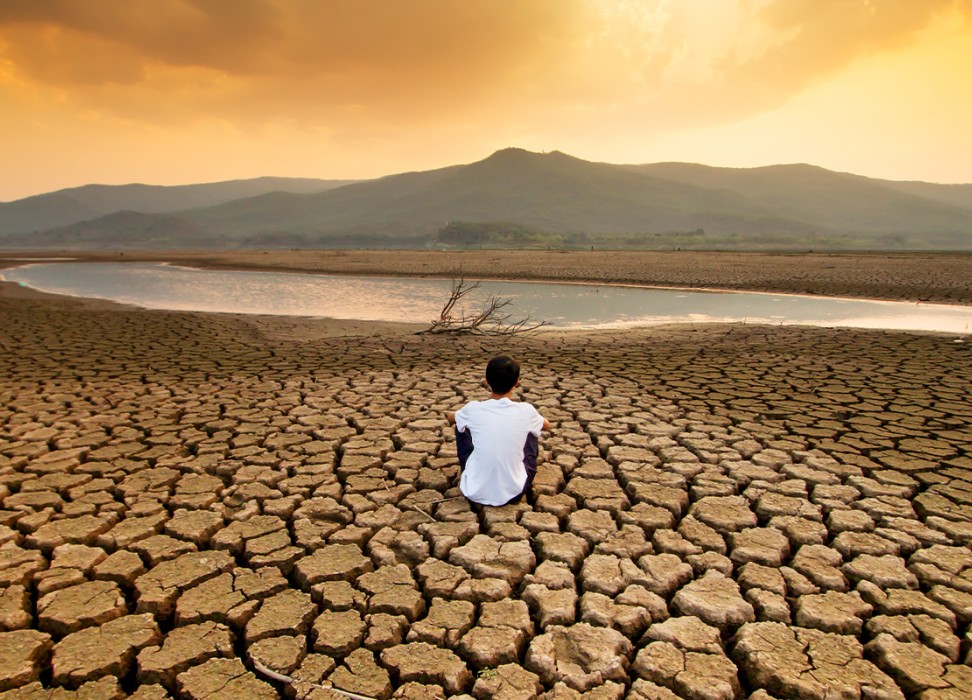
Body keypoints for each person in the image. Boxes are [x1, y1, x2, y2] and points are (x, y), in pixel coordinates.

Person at [447, 354, 551, 506]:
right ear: (517, 382)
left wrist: (455, 415)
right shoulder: (526, 411)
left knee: (461, 424)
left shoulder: (473, 409)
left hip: (474, 490)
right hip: (515, 492)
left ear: (487, 380)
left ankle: (476, 471)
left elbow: (452, 418)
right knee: (532, 429)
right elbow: (546, 425)